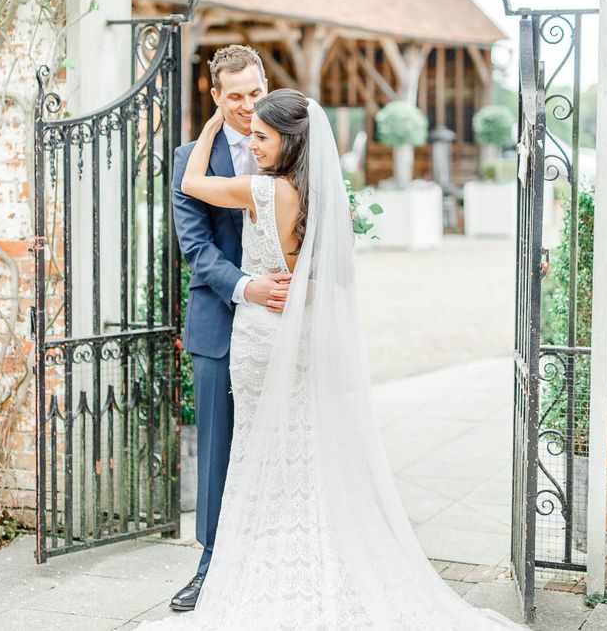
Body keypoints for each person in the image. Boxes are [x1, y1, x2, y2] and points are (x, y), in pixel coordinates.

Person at [140, 88, 528, 630]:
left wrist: (210, 127)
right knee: (306, 445)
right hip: (301, 338)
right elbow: (332, 284)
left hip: (259, 338)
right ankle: (319, 549)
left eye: (261, 137)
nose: (251, 145)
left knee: (259, 453)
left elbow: (190, 184)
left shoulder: (262, 192)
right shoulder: (323, 198)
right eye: (249, 136)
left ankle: (263, 563)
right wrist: (298, 290)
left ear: (289, 142)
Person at [169, 46, 291, 612]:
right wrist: (248, 287)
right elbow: (196, 248)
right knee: (217, 449)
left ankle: (281, 555)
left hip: (286, 320)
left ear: (267, 85)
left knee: (286, 441)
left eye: (255, 92)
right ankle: (210, 564)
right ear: (215, 97)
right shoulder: (188, 160)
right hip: (220, 320)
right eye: (234, 96)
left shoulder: (294, 152)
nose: (248, 106)